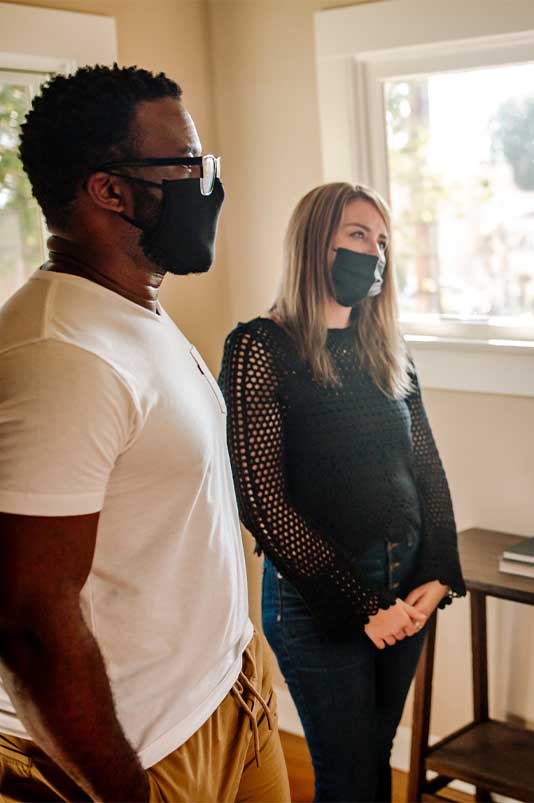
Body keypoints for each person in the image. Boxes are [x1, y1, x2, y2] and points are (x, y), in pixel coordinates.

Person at [0, 65, 287, 802]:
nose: (208, 183)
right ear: (111, 190)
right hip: (138, 752)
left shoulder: (131, 307)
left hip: (229, 693)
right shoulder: (61, 354)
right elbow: (29, 622)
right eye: (188, 165)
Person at [219, 181, 467, 801]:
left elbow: (426, 466)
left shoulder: (387, 350)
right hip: (319, 601)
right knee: (349, 776)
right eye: (357, 236)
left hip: (406, 586)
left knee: (375, 759)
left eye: (381, 242)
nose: (373, 254)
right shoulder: (259, 348)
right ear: (314, 242)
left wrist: (437, 570)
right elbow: (260, 500)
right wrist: (364, 604)